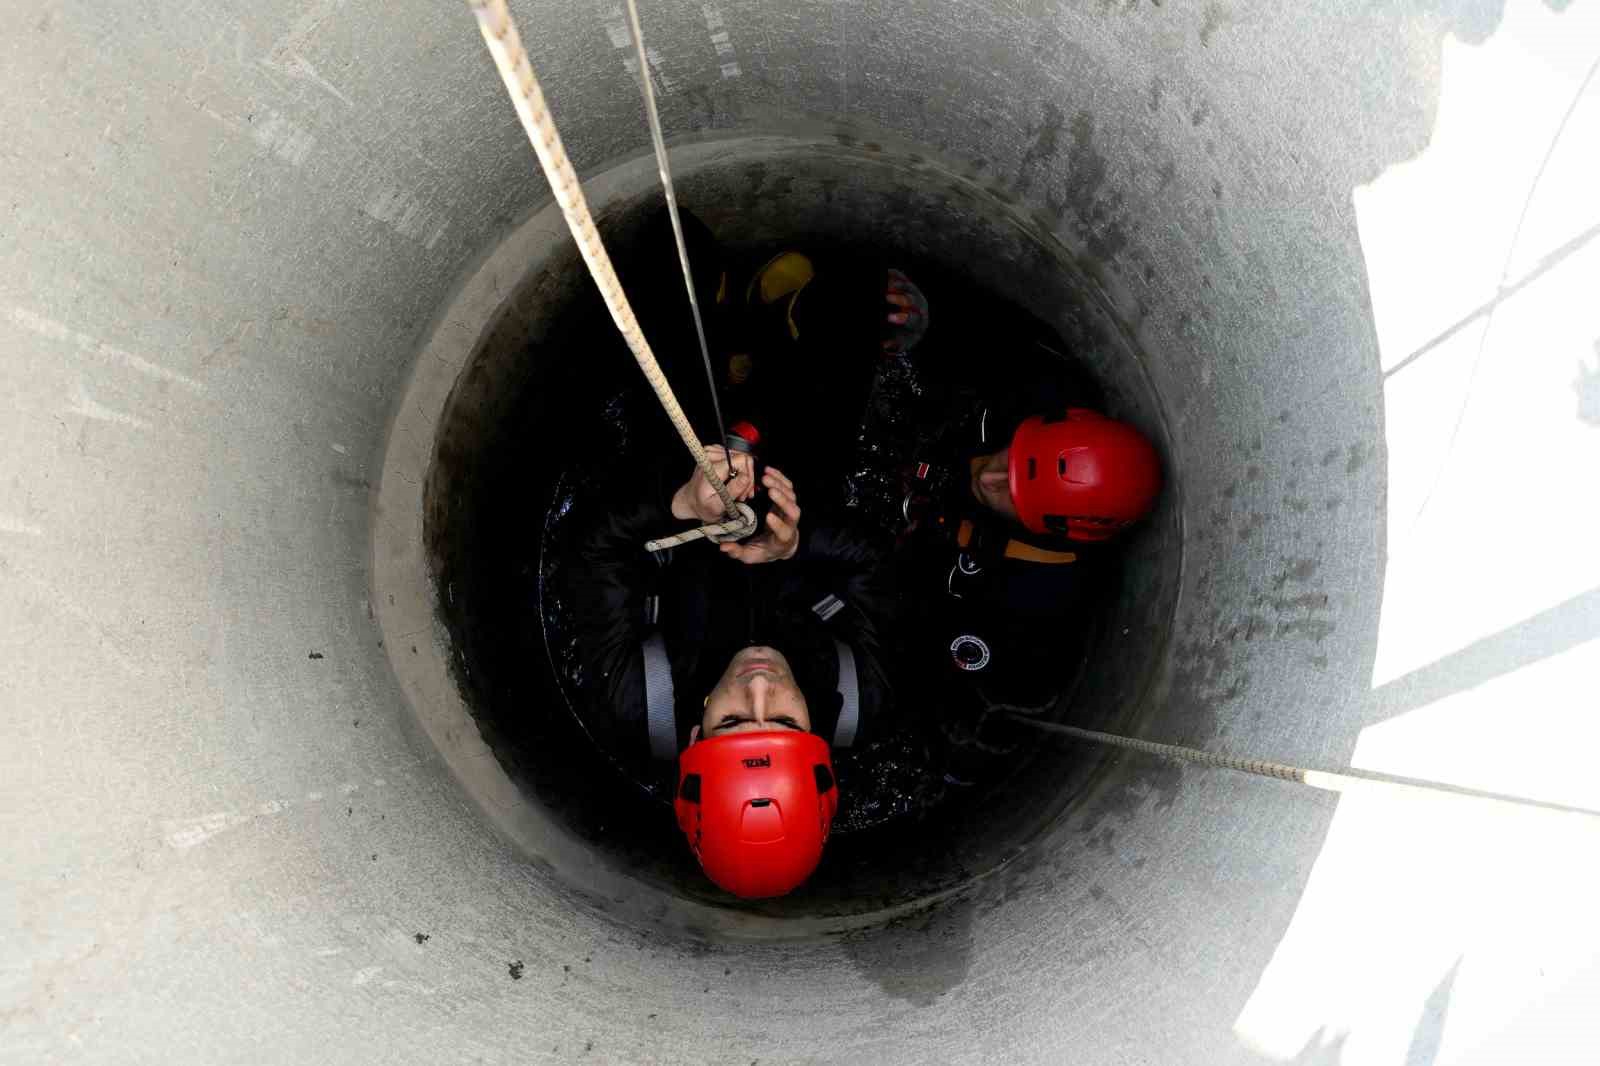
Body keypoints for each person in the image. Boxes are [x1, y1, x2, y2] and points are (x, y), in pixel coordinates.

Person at [744, 253, 1163, 778]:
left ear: (1061, 532)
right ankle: (780, 323)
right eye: (1010, 456)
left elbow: (926, 673)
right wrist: (931, 322)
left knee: (771, 509)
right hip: (915, 467)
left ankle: (752, 377)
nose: (988, 476)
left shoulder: (1032, 610)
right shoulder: (1043, 394)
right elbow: (991, 334)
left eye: (1011, 492)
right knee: (865, 297)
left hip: (885, 565)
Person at [561, 444, 897, 897]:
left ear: (697, 736)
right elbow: (882, 565)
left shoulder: (638, 698)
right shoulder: (861, 696)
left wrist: (681, 504)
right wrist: (797, 545)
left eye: (733, 720)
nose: (759, 685)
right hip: (802, 478)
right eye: (784, 721)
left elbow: (593, 551)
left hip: (681, 468)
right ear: (817, 736)